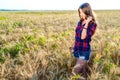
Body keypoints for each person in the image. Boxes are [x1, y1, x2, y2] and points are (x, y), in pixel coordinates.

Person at [69, 2, 97, 80]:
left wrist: (87, 22)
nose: (80, 14)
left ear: (87, 12)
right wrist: (73, 47)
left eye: (81, 12)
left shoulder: (93, 24)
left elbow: (83, 36)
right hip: (77, 49)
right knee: (82, 72)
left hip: (84, 51)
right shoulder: (80, 21)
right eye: (79, 12)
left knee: (75, 72)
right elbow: (77, 36)